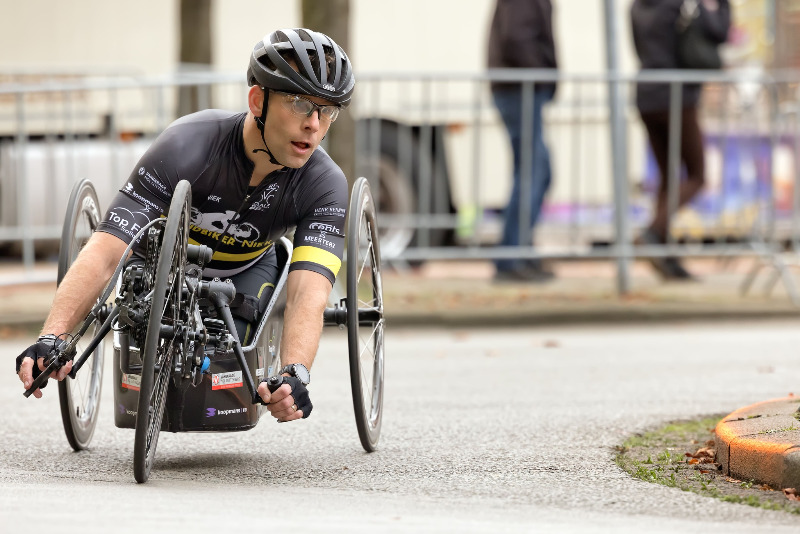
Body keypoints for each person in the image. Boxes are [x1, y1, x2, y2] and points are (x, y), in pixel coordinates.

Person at [15, 28, 355, 423]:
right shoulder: (187, 145)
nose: (314, 124)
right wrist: (51, 337)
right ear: (258, 100)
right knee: (143, 334)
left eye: (326, 110)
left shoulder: (325, 185)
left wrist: (295, 371)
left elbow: (307, 292)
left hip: (244, 272)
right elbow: (109, 248)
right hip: (160, 263)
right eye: (298, 104)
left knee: (231, 358)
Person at [631, 0, 731, 279]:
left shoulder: (638, 7)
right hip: (676, 94)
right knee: (698, 175)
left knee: (668, 179)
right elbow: (719, 31)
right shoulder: (680, 5)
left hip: (646, 94)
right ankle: (653, 232)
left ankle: (665, 257)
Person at [487, 0, 558, 282]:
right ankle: (511, 258)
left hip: (521, 88)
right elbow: (516, 38)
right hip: (520, 89)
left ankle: (518, 252)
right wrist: (541, 75)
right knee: (532, 171)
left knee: (537, 171)